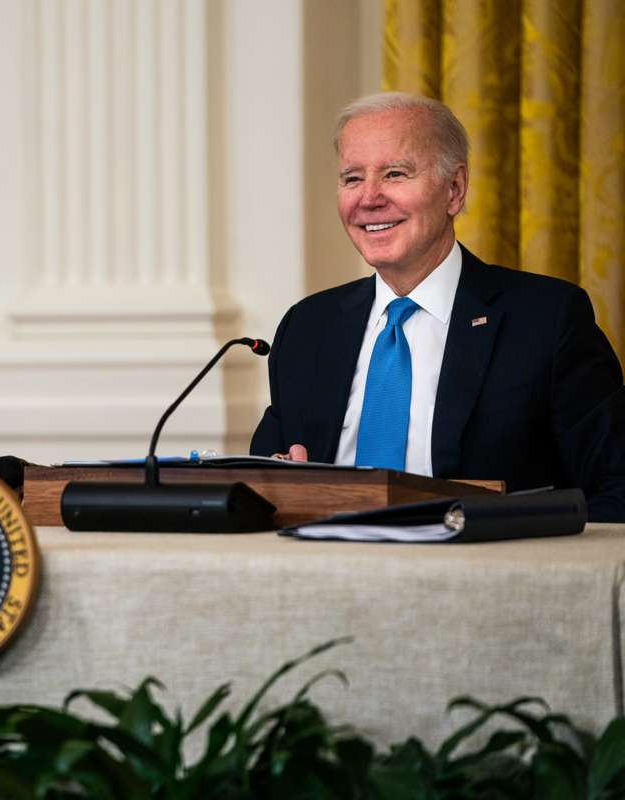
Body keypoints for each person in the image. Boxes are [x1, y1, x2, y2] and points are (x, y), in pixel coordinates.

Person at [250, 92, 625, 521]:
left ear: (454, 190)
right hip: (326, 558)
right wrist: (280, 484)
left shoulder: (547, 319)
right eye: (352, 178)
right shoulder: (307, 326)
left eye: (395, 174)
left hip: (484, 559)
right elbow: (257, 482)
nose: (368, 198)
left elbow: (616, 488)